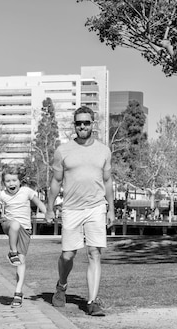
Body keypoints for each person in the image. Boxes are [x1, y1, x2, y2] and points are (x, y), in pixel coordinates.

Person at [45, 106, 115, 317]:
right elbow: (56, 182)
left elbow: (108, 180)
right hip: (72, 208)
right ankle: (62, 285)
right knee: (68, 255)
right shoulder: (63, 150)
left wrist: (111, 207)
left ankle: (92, 301)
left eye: (86, 122)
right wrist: (49, 208)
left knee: (94, 252)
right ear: (74, 125)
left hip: (96, 207)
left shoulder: (104, 150)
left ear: (93, 124)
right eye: (78, 123)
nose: (82, 126)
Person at [0, 166, 46, 307]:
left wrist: (47, 213)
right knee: (14, 224)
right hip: (8, 224)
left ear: (20, 182)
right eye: (8, 181)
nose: (11, 184)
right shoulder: (2, 195)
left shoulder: (27, 191)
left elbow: (38, 203)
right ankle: (12, 251)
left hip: (25, 229)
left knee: (21, 261)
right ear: (4, 183)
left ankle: (18, 292)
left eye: (14, 180)